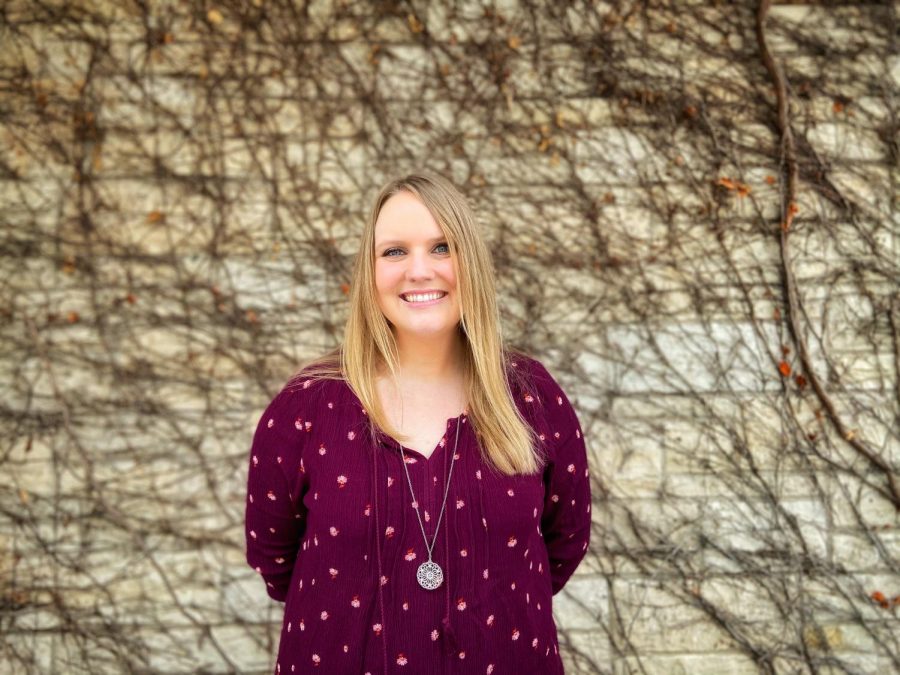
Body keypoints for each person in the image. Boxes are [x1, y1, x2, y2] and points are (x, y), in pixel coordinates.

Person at [244, 171, 592, 674]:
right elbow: (275, 560)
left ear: (470, 261)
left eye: (442, 247)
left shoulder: (533, 398)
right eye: (394, 252)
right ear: (370, 270)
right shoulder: (306, 408)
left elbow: (564, 543)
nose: (419, 270)